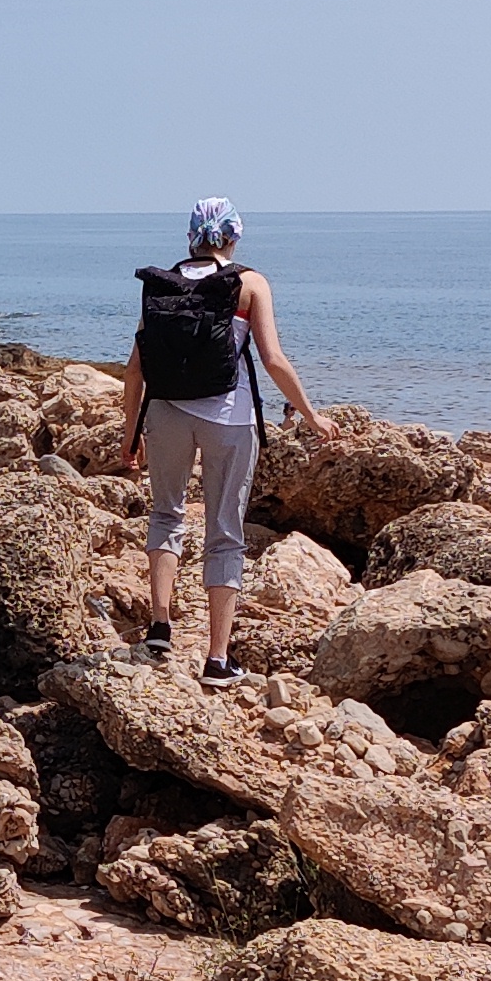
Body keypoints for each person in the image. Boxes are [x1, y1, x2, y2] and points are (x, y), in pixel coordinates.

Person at [116, 199, 316, 686]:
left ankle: (159, 627)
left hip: (164, 412)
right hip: (230, 418)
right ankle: (217, 659)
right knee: (225, 532)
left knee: (167, 514)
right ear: (233, 237)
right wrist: (311, 414)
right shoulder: (249, 283)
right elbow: (271, 358)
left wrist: (129, 437)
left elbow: (135, 369)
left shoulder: (163, 283)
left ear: (191, 236)